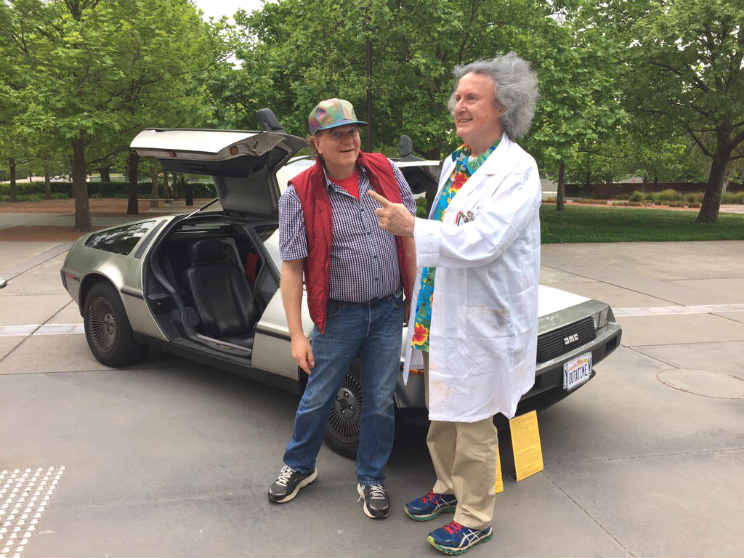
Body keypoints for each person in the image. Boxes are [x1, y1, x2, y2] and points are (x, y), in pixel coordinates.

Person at [370, 53, 541, 553]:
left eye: (472, 98)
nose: (459, 106)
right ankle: (447, 489)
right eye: (458, 97)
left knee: (473, 421)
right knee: (441, 413)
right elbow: (450, 230)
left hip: (484, 316)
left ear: (503, 108)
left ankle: (475, 515)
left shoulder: (517, 170)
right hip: (440, 309)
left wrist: (411, 226)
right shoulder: (456, 162)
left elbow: (484, 241)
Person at [268, 98, 417, 519]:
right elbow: (293, 268)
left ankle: (371, 478)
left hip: (388, 311)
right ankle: (299, 466)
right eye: (337, 134)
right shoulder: (300, 193)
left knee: (380, 400)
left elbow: (409, 238)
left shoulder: (386, 173)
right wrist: (298, 334)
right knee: (318, 397)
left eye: (352, 131)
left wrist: (414, 299)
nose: (349, 140)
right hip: (337, 316)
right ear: (318, 143)